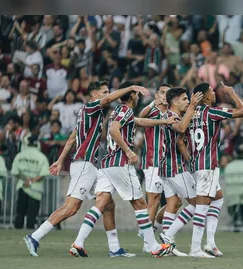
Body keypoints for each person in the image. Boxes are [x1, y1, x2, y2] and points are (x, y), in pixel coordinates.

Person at [24, 81, 149, 257]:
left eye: (108, 91)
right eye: (104, 92)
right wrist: (131, 88)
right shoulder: (91, 106)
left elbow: (71, 138)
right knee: (71, 207)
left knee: (108, 203)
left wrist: (60, 161)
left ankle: (114, 248)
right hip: (84, 164)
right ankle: (34, 236)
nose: (108, 94)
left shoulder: (89, 114)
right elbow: (111, 99)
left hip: (89, 165)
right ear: (94, 95)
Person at [70, 81, 179, 258]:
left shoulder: (116, 112)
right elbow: (113, 130)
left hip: (106, 165)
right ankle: (153, 246)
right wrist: (128, 151)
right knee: (140, 204)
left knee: (101, 203)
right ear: (133, 96)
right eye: (136, 95)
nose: (137, 98)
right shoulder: (126, 110)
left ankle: (79, 242)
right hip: (120, 164)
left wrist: (165, 120)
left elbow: (140, 121)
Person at [187, 82, 243, 258]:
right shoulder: (212, 112)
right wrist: (232, 94)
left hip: (195, 165)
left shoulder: (190, 113)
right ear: (206, 96)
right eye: (212, 92)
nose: (215, 94)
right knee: (202, 205)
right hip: (207, 165)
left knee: (217, 199)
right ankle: (195, 248)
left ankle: (210, 242)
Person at [157, 87, 203, 257]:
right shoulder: (171, 116)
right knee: (197, 203)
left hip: (166, 167)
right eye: (184, 99)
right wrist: (192, 107)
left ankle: (167, 247)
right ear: (175, 101)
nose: (187, 102)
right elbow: (182, 128)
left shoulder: (170, 115)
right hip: (174, 167)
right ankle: (168, 236)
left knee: (173, 204)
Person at [137, 83, 170, 252]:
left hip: (170, 164)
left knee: (175, 201)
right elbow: (140, 118)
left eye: (168, 93)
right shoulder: (153, 112)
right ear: (157, 95)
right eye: (162, 93)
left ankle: (151, 231)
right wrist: (152, 103)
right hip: (153, 163)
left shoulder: (173, 113)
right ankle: (147, 244)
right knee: (154, 201)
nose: (165, 96)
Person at [11, 135, 50, 230]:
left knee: (20, 212)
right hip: (35, 189)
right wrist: (32, 181)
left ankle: (16, 234)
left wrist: (26, 179)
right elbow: (44, 173)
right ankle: (30, 236)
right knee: (32, 215)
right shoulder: (42, 157)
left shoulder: (20, 155)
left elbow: (15, 172)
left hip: (23, 186)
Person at [224, 148, 243, 232]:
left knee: (235, 219)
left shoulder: (229, 166)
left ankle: (236, 230)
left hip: (233, 196)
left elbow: (227, 181)